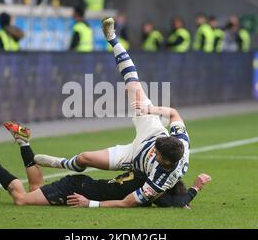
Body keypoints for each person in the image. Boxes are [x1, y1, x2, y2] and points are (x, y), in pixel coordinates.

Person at [35, 17, 191, 208]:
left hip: (134, 157)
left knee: (86, 158)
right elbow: (174, 114)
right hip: (152, 133)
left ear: (164, 161)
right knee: (133, 86)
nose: (154, 153)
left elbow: (127, 203)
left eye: (156, 154)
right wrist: (151, 109)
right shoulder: (181, 143)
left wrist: (90, 204)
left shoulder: (160, 181)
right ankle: (112, 37)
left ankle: (62, 163)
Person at [0, 123, 211, 208]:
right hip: (78, 191)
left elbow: (174, 202)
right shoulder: (152, 188)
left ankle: (23, 142)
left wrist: (194, 190)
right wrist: (192, 193)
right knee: (21, 199)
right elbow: (173, 203)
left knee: (36, 186)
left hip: (82, 184)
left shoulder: (146, 173)